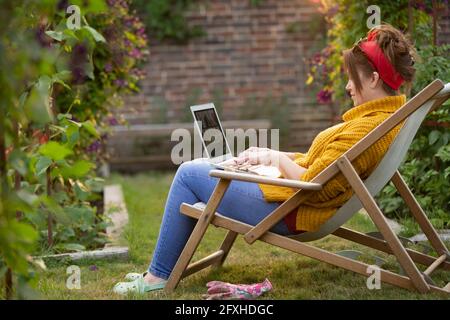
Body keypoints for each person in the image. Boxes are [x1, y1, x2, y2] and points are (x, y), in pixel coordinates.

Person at [113, 23, 417, 294]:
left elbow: (316, 185)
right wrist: (270, 158)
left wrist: (275, 158)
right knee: (217, 165)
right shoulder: (382, 120)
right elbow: (321, 166)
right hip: (290, 199)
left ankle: (157, 277)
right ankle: (161, 270)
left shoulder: (366, 128)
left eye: (352, 79)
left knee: (188, 173)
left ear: (374, 79)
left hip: (288, 210)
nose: (348, 86)